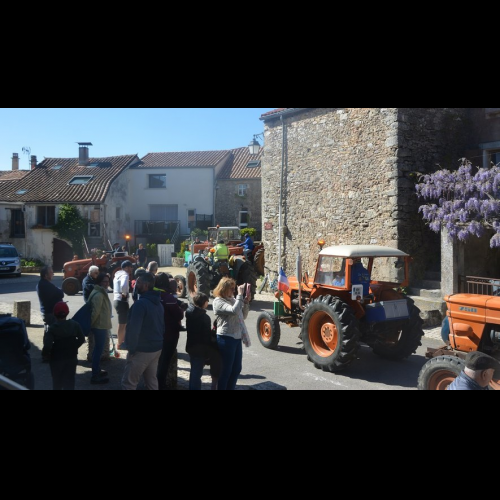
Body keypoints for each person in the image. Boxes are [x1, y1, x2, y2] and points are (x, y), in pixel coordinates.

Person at [121, 272, 165, 390]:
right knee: (151, 382)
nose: (135, 285)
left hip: (142, 350)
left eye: (138, 283)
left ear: (146, 285)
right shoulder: (158, 302)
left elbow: (134, 329)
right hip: (156, 347)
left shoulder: (140, 304)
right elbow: (162, 326)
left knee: (129, 383)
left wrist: (131, 349)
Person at [213, 277, 250, 391]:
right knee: (226, 370)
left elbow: (243, 315)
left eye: (235, 289)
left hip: (236, 337)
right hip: (226, 338)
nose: (234, 291)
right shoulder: (218, 301)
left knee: (236, 369)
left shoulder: (233, 299)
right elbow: (233, 311)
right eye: (232, 289)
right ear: (224, 289)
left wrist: (246, 301)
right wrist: (240, 295)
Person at [42, 301, 85, 390]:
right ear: (67, 313)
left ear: (54, 314)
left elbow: (47, 346)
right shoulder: (75, 325)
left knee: (57, 382)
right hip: (71, 357)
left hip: (56, 359)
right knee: (70, 382)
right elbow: (81, 339)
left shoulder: (52, 329)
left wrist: (45, 354)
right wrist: (73, 346)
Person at [186, 292, 221, 390]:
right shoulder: (204, 318)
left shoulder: (189, 312)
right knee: (197, 374)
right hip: (200, 349)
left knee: (193, 372)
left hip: (191, 346)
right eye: (207, 302)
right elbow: (206, 337)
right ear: (204, 303)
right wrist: (208, 353)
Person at [155, 274, 184, 390]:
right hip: (168, 335)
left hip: (155, 334)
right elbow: (179, 315)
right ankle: (160, 385)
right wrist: (181, 308)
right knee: (164, 362)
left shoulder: (153, 295)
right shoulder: (169, 298)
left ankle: (152, 384)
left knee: (155, 363)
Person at [88, 273, 112, 385]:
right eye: (104, 282)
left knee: (97, 350)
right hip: (99, 326)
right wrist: (90, 326)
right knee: (98, 351)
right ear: (99, 282)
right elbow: (95, 313)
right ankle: (94, 375)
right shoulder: (99, 294)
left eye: (108, 281)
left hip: (100, 325)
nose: (107, 283)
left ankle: (96, 370)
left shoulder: (99, 292)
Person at [114, 260, 133, 350]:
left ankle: (121, 342)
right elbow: (123, 284)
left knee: (122, 323)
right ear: (126, 267)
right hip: (122, 301)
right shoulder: (125, 275)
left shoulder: (118, 274)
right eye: (130, 267)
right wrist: (124, 293)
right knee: (122, 324)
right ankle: (120, 344)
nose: (131, 269)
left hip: (116, 300)